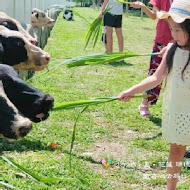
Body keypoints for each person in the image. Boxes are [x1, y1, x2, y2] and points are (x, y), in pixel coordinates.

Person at [118, 0, 190, 189]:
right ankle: (170, 187)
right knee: (176, 152)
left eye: (177, 30)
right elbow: (156, 78)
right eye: (171, 29)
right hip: (179, 112)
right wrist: (132, 90)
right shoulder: (172, 50)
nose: (173, 35)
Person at [130, 0, 173, 118]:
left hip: (179, 42)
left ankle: (172, 108)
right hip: (161, 40)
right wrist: (143, 6)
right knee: (154, 73)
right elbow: (154, 16)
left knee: (174, 77)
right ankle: (144, 104)